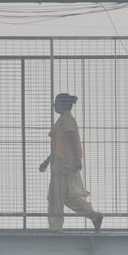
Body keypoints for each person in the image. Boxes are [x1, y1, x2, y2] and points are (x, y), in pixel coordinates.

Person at [39, 93, 105, 232]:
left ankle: (55, 228)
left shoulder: (67, 120)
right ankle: (94, 216)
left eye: (57, 102)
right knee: (68, 197)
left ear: (63, 104)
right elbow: (59, 147)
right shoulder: (63, 120)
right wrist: (47, 161)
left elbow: (73, 140)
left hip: (63, 167)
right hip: (61, 165)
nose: (54, 105)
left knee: (55, 197)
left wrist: (77, 160)